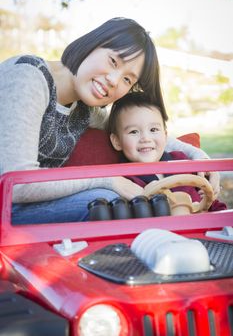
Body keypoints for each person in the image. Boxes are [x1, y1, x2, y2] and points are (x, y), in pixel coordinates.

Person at [0, 17, 219, 224]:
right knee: (106, 201)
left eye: (127, 79)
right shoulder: (28, 79)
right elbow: (18, 184)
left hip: (21, 206)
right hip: (8, 204)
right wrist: (108, 180)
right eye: (113, 61)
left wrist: (197, 156)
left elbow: (136, 130)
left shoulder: (84, 109)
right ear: (92, 44)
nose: (114, 81)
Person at [108, 92, 226, 212]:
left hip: (201, 227)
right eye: (134, 131)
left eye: (153, 129)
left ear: (165, 136)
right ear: (117, 141)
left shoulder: (182, 162)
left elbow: (213, 203)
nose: (145, 138)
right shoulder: (124, 180)